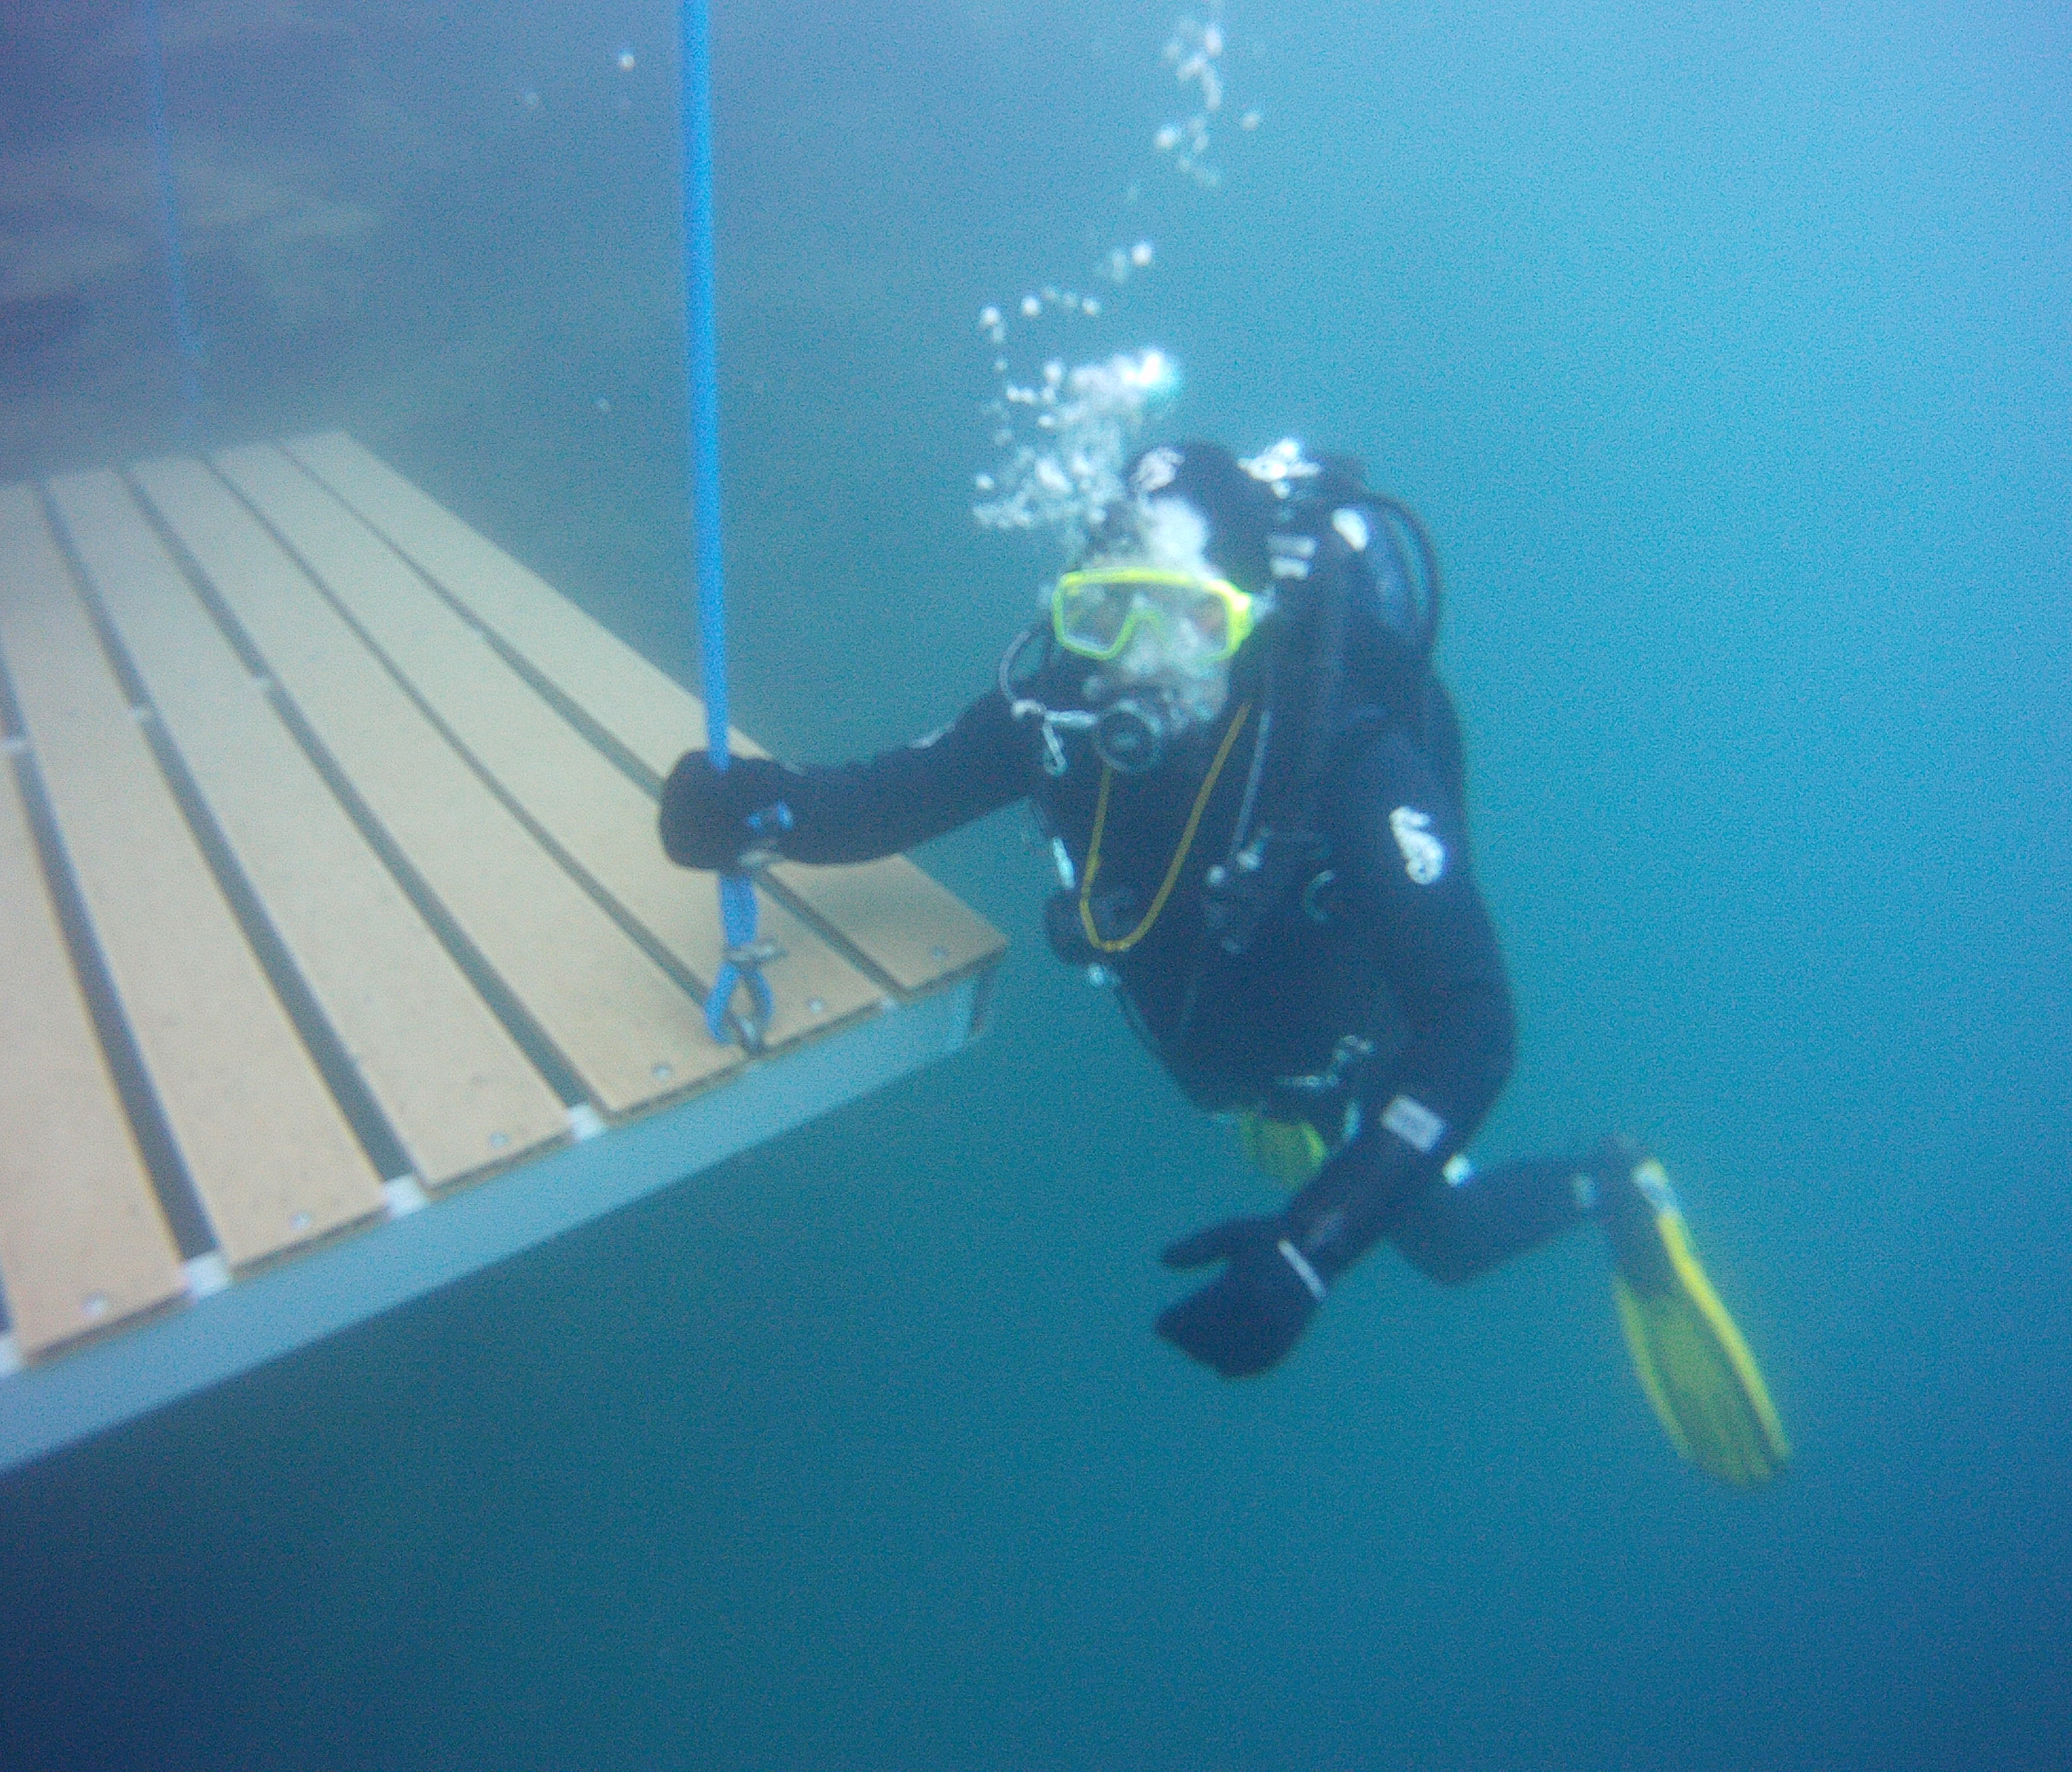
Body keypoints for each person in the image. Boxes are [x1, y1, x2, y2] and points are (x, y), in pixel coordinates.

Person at [659, 439, 1788, 1486]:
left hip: (1348, 1040)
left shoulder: (1348, 755)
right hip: (1218, 1042)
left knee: (1442, 1242)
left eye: (1190, 621)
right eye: (1106, 615)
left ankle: (1614, 1188)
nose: (1138, 667)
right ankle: (1284, 1110)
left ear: (1253, 623)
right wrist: (760, 809)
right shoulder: (1055, 709)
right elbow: (886, 798)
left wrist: (1314, 1245)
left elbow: (1473, 1027)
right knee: (1252, 1101)